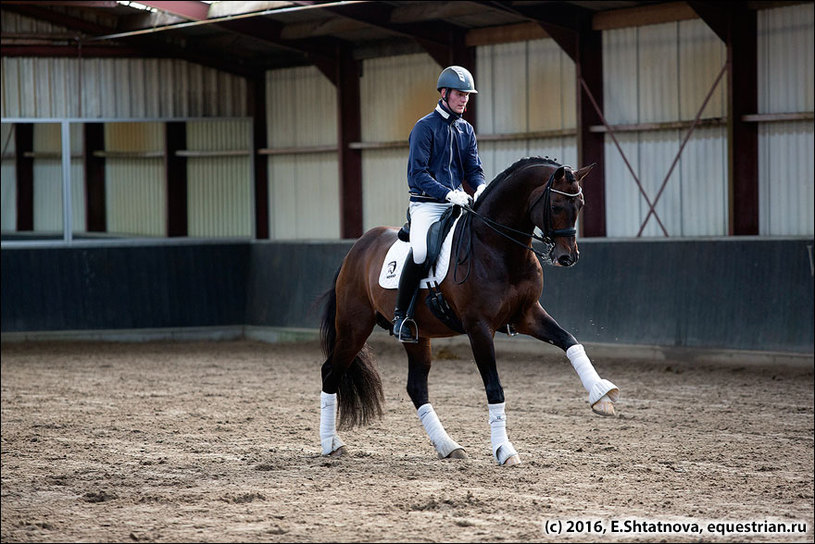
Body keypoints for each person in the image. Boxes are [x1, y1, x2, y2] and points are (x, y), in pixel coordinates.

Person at [392, 65, 488, 343]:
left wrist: (480, 186)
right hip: (427, 205)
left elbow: (473, 168)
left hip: (457, 203)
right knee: (422, 252)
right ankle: (401, 316)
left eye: (467, 95)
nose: (464, 100)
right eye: (460, 94)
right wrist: (447, 193)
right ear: (444, 93)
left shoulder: (466, 129)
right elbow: (417, 174)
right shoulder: (424, 128)